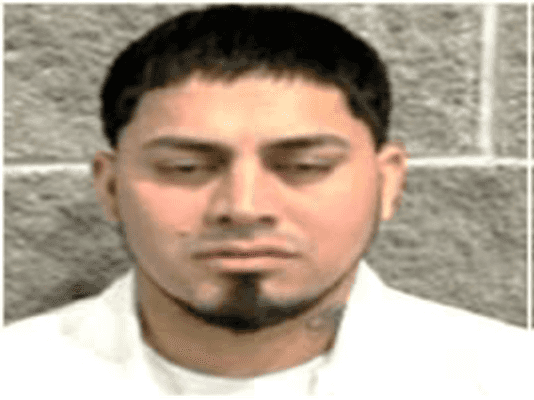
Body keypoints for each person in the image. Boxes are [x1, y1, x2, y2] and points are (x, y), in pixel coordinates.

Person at [2, 4, 532, 398]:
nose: (244, 205)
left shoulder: (509, 377)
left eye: (305, 166)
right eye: (185, 168)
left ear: (388, 182)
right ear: (111, 188)